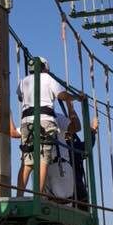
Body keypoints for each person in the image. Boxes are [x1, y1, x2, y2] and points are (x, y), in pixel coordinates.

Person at [15, 57, 80, 197]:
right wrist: (75, 98)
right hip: (45, 121)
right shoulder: (48, 78)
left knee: (26, 161)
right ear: (45, 68)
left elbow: (20, 97)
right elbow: (62, 95)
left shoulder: (23, 81)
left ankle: (19, 196)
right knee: (43, 160)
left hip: (26, 121)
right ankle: (37, 196)